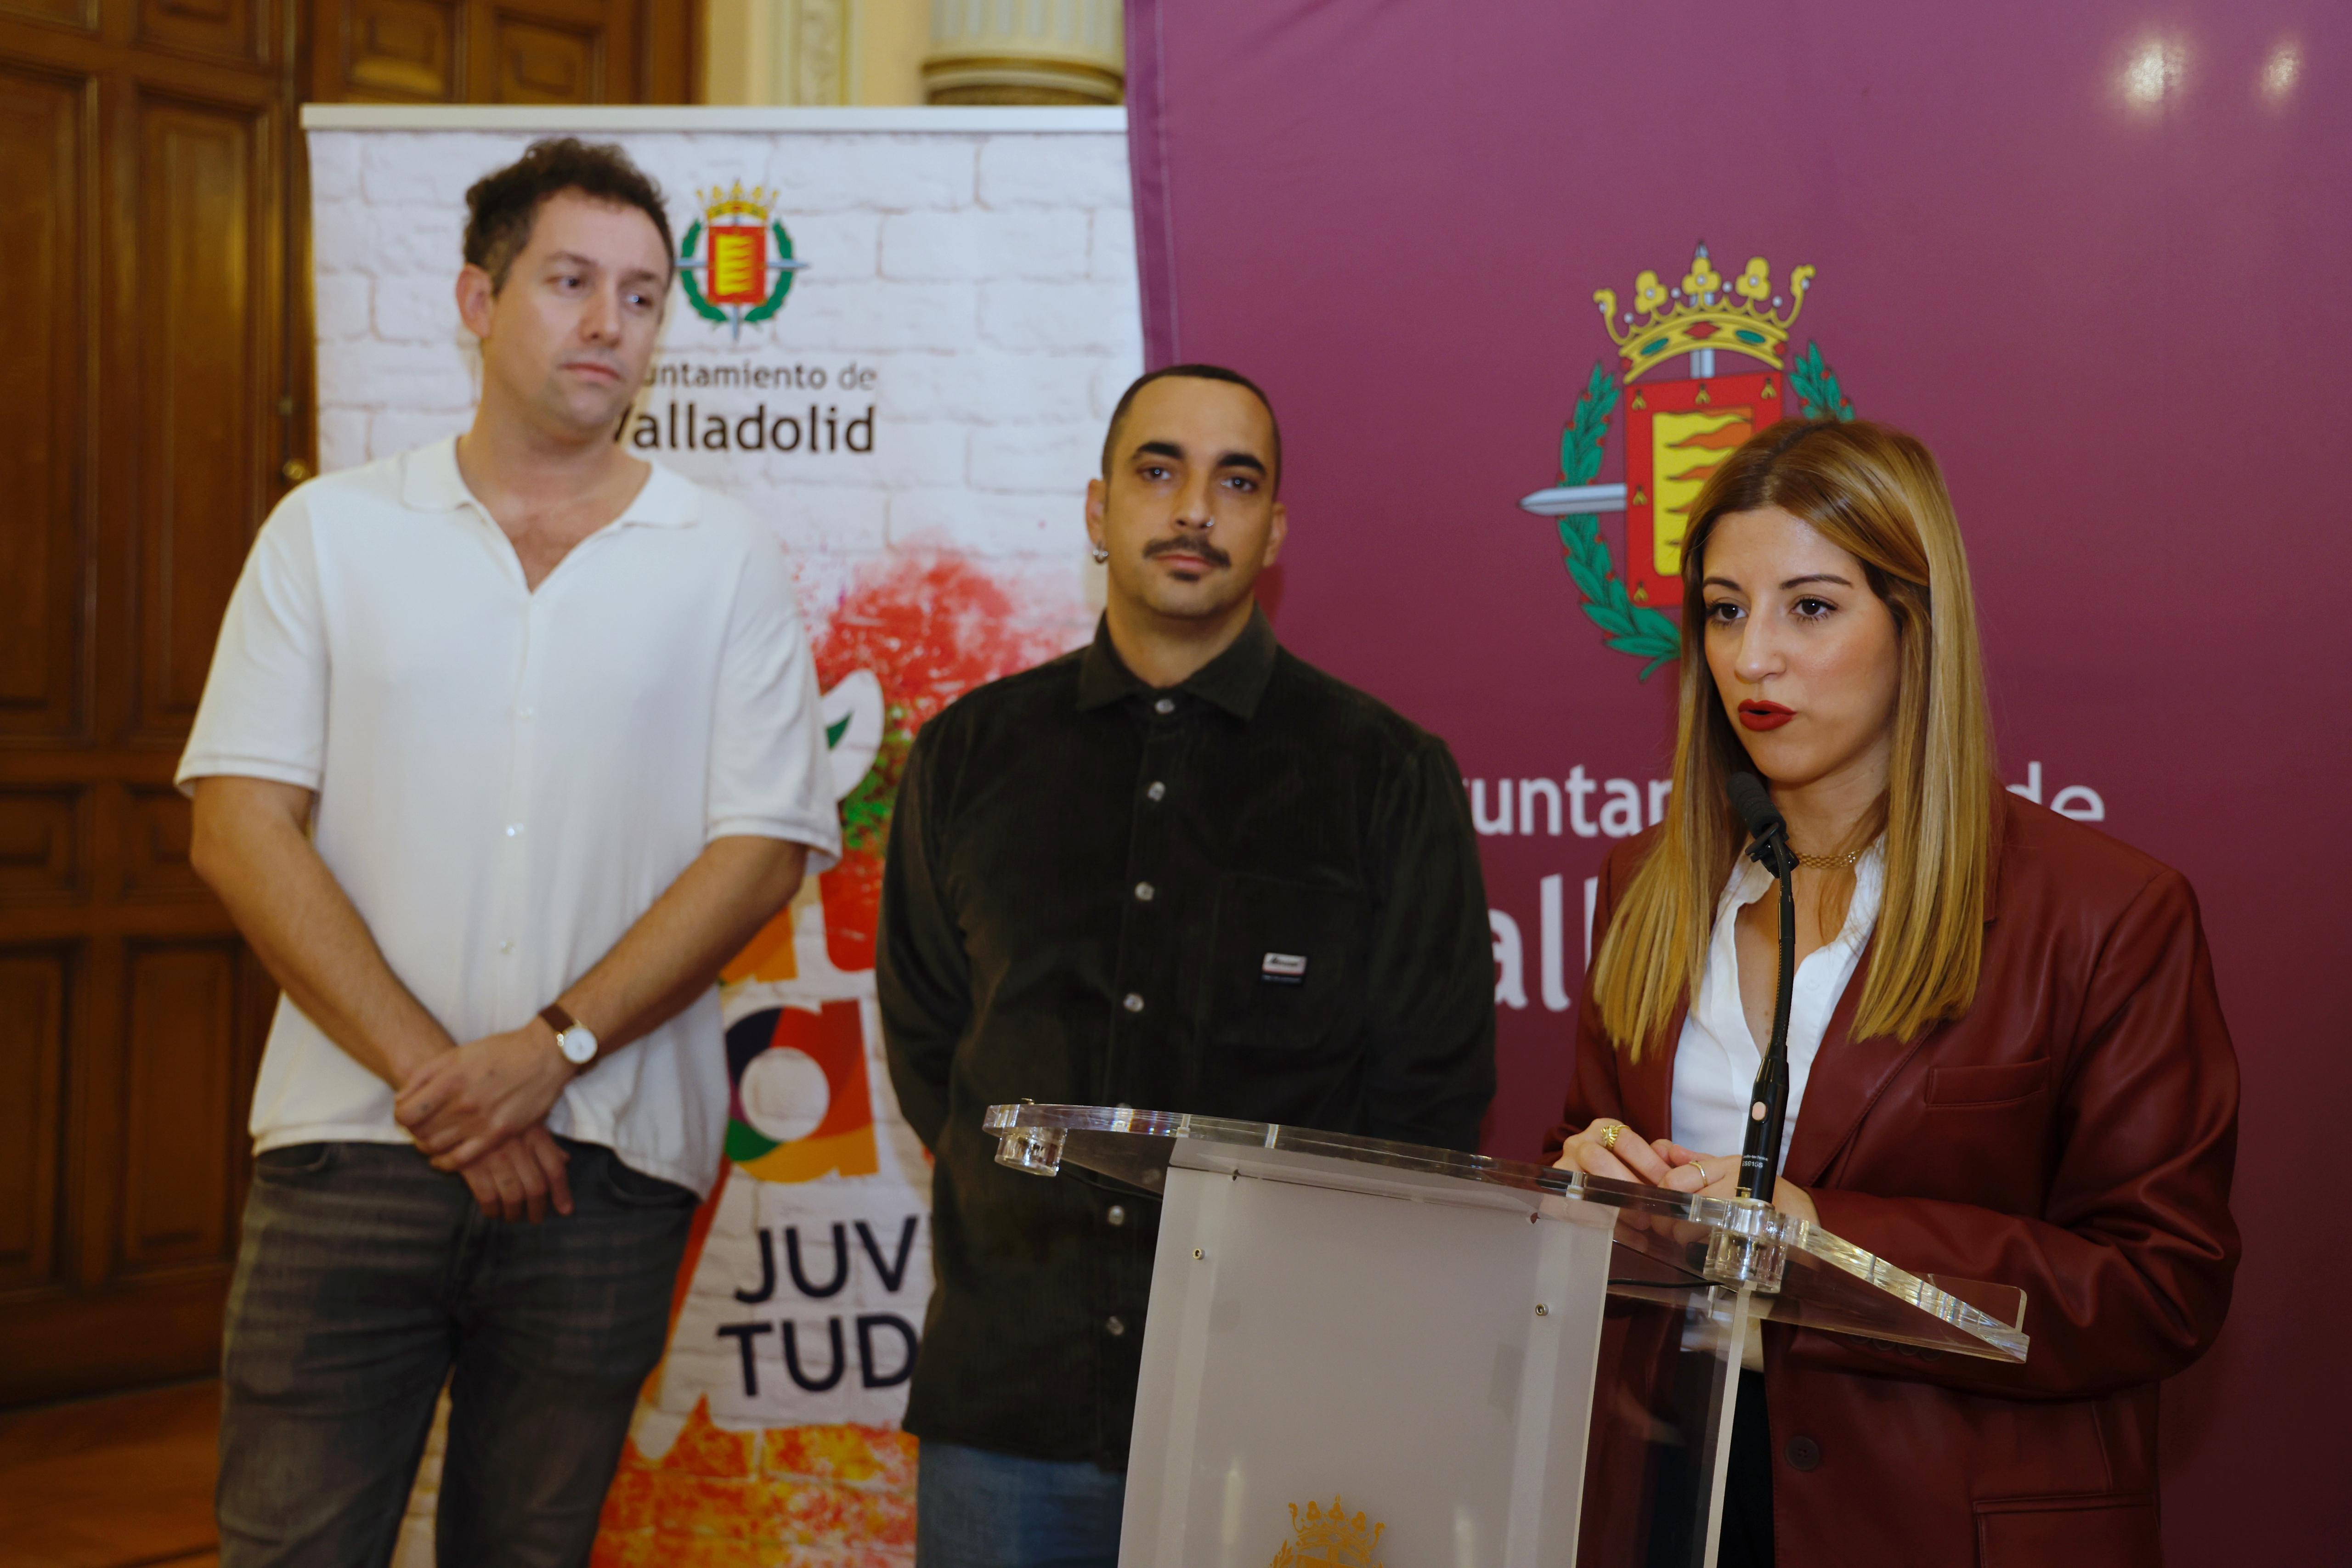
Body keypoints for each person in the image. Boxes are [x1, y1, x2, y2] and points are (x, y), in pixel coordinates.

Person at [182, 138, 842, 1566]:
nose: (611, 321)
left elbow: (760, 853)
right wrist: (453, 1083)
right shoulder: (329, 532)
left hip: (603, 1165)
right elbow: (237, 825)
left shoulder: (722, 554)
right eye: (570, 282)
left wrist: (552, 1050)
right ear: (479, 301)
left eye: (644, 296)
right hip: (350, 1145)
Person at [1546, 417, 2238, 1567]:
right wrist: (1582, 1192)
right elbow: (1579, 1156)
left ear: (1916, 626)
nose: (1752, 658)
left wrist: (1826, 1241)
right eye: (1724, 610)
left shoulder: (2106, 912)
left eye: (1810, 608)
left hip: (1938, 1523)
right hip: (1669, 1499)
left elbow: (2160, 1287)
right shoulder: (1647, 884)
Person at [878, 364, 1497, 1567]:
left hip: (1279, 1418)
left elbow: (1429, 1099)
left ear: (1277, 530)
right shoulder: (968, 756)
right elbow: (931, 1051)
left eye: (1236, 481)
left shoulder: (1383, 774)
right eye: (1158, 470)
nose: (1195, 509)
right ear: (1098, 507)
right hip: (1013, 1409)